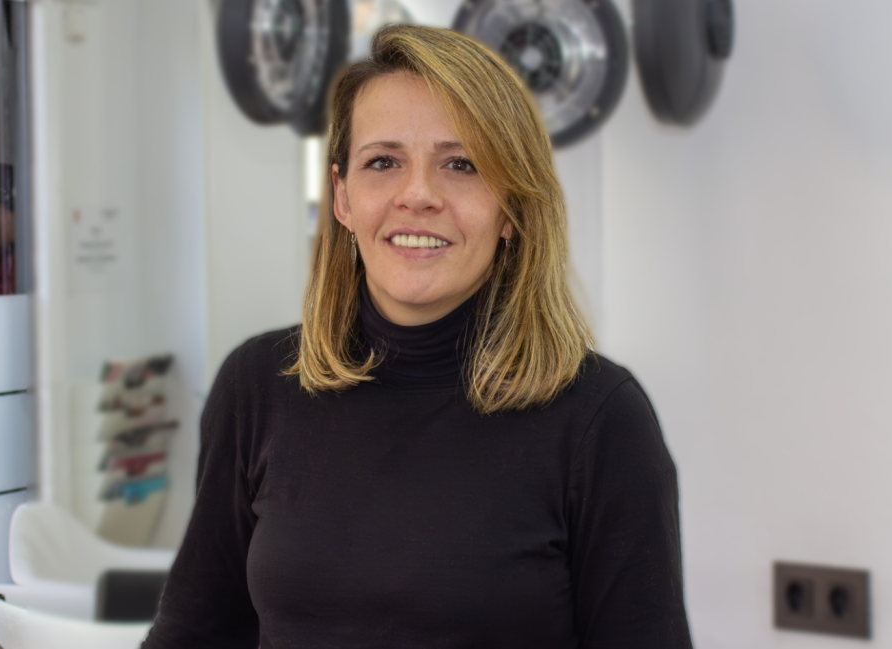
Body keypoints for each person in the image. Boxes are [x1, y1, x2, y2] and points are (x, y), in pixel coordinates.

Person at [142, 24, 692, 649]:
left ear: (511, 207)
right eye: (383, 162)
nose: (419, 195)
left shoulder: (601, 419)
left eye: (461, 164)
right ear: (342, 198)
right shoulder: (258, 385)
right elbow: (196, 633)